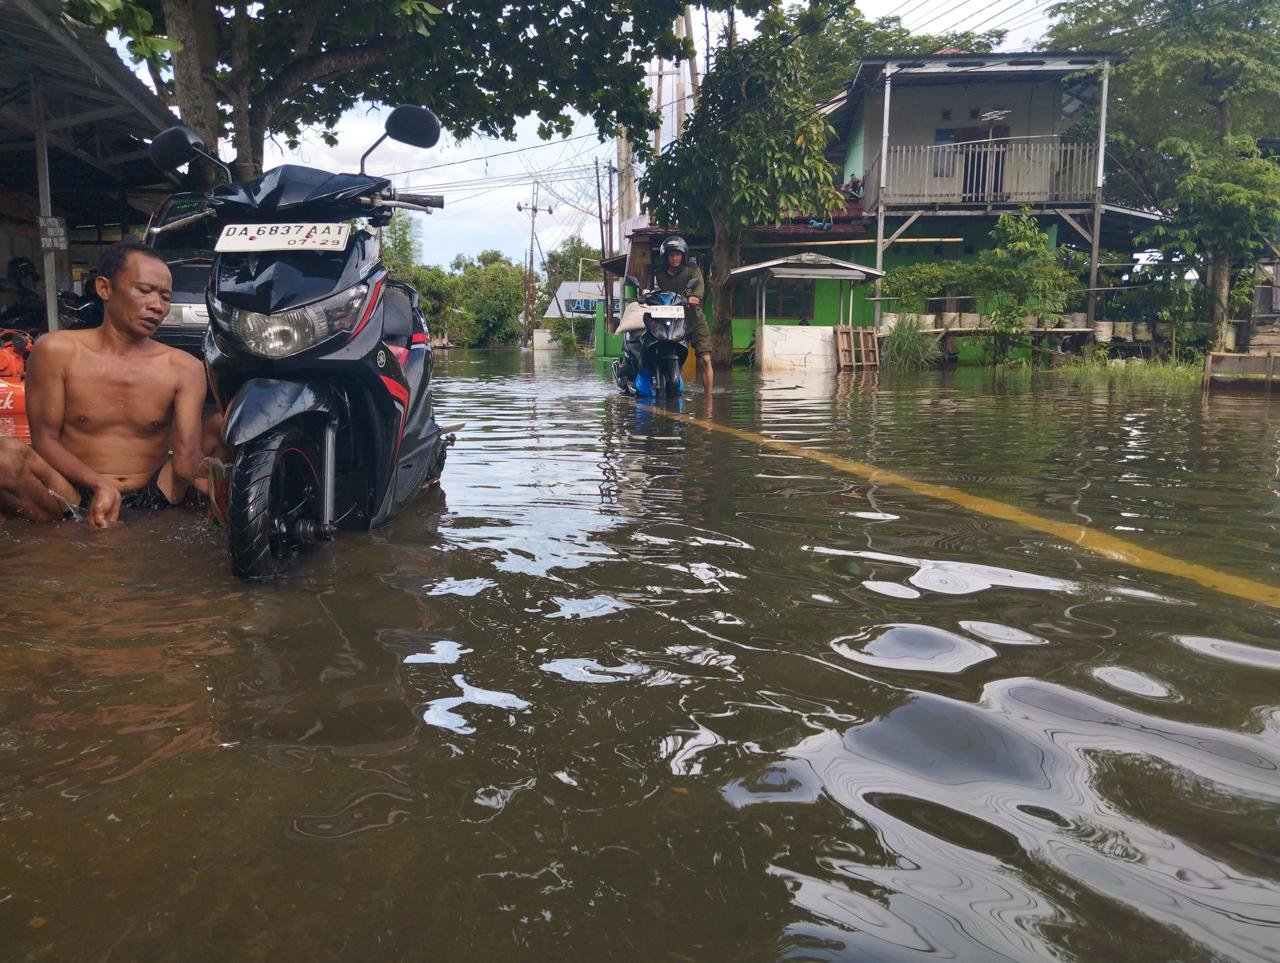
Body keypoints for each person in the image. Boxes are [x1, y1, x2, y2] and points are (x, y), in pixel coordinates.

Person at [25, 241, 220, 528]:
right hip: (73, 492)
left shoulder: (185, 367)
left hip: (156, 493)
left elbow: (186, 458)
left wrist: (217, 480)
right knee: (5, 457)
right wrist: (100, 484)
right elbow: (44, 440)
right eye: (144, 291)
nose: (157, 306)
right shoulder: (55, 351)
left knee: (226, 424)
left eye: (165, 297)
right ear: (104, 288)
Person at [653, 235, 713, 395]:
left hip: (693, 319)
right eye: (671, 255)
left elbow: (699, 287)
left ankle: (709, 400)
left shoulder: (693, 270)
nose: (674, 258)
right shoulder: (659, 274)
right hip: (669, 321)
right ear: (665, 257)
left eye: (677, 254)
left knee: (705, 358)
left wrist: (695, 297)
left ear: (683, 255)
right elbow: (651, 290)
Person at [0, 437, 78, 521]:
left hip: (79, 495)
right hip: (71, 488)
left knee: (10, 454)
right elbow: (46, 441)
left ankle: (56, 527)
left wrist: (94, 483)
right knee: (7, 458)